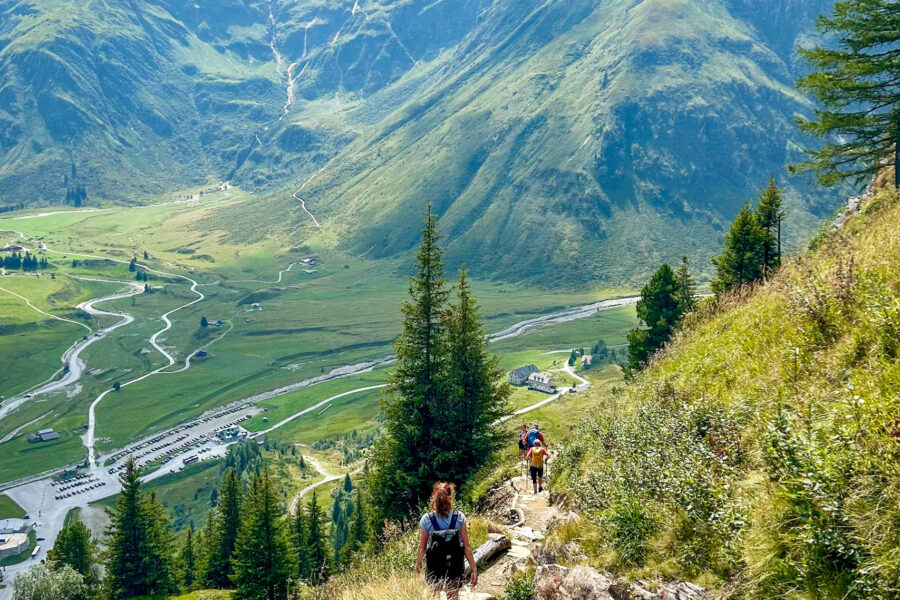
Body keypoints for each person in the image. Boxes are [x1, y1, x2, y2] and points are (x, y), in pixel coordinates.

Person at [416, 482, 478, 599]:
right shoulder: (459, 517)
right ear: (451, 497)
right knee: (453, 597)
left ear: (434, 497)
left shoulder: (427, 519)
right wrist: (474, 569)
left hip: (434, 566)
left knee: (433, 596)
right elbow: (467, 547)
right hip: (454, 566)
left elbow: (422, 548)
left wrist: (418, 563)